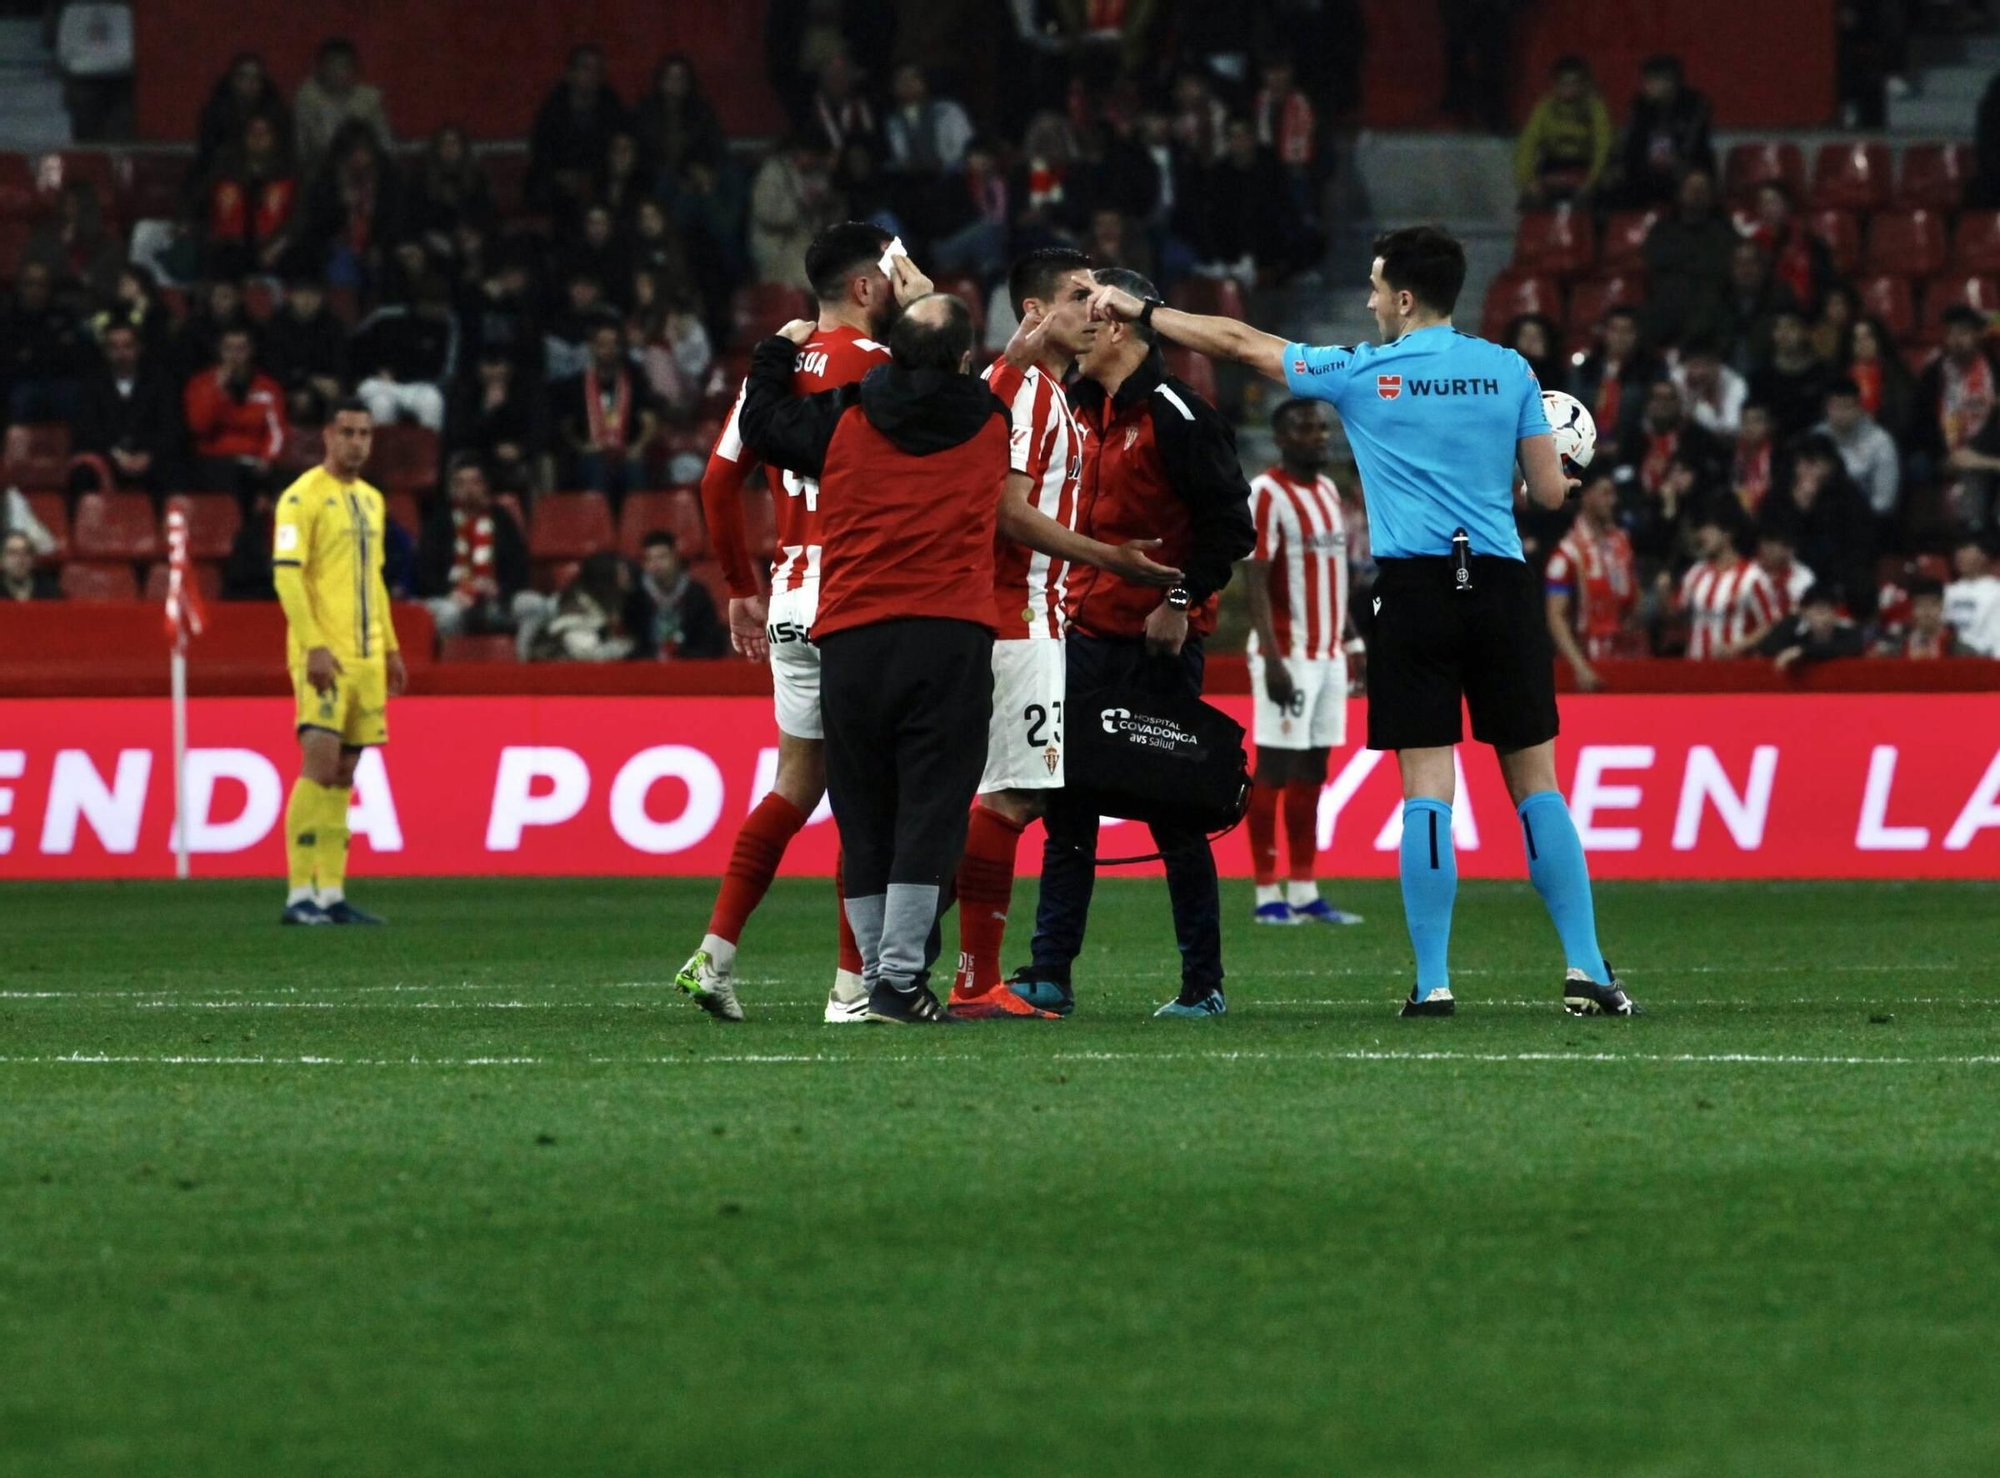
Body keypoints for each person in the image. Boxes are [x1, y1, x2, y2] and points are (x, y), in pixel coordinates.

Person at [1087, 225, 1642, 1017]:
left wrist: (1146, 313)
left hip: (1413, 593)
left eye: (1378, 287)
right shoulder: (1510, 369)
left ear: (1405, 298)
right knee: (1537, 789)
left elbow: (1243, 344)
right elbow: (1549, 497)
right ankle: (1586, 970)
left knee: (1427, 789)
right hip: (1500, 590)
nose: (1373, 299)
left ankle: (1436, 981)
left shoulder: (1364, 373)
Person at [736, 294, 1009, 1025]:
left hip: (851, 638)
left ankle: (875, 985)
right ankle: (896, 981)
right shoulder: (989, 419)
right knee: (932, 810)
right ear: (962, 359)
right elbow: (995, 376)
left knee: (861, 815)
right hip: (947, 637)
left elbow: (758, 425)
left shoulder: (843, 421)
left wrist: (776, 351)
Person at [1007, 264, 1255, 1021]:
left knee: (1175, 813)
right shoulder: (1076, 403)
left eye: (1089, 302)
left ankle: (1202, 984)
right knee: (1066, 807)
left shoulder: (1180, 413)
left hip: (1156, 643)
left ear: (1117, 323)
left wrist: (1180, 600)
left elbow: (1232, 530)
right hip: (1081, 629)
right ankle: (1050, 973)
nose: (1078, 316)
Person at [948, 249, 1185, 1019]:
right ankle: (968, 976)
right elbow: (1007, 511)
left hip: (1023, 618)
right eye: (1081, 296)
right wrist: (1108, 558)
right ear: (1033, 312)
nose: (1098, 308)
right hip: (1017, 617)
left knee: (1002, 798)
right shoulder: (1030, 395)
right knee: (1012, 799)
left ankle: (910, 956)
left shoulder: (1030, 388)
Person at [677, 222, 901, 1024]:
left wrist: (740, 585)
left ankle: (715, 954)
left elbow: (716, 483)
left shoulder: (766, 379)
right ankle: (851, 988)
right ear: (870, 287)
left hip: (791, 591)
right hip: (856, 598)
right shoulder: (885, 372)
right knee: (868, 799)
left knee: (795, 784)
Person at [271, 398, 406, 926]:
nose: (357, 442)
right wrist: (313, 646)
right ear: (327, 435)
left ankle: (330, 892)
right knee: (320, 764)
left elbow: (374, 581)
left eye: (366, 433)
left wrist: (391, 646)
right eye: (347, 431)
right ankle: (298, 893)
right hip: (324, 656)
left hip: (369, 657)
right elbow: (287, 576)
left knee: (347, 772)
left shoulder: (372, 501)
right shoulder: (300, 498)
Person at [1239, 398, 1365, 927]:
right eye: (1305, 429)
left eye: (1321, 427)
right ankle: (1268, 893)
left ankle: (1305, 888)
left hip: (1329, 652)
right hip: (1287, 653)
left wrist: (1353, 640)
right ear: (1282, 439)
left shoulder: (1330, 491)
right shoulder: (1266, 493)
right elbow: (1255, 575)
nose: (1319, 436)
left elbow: (1335, 574)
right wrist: (1271, 655)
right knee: (1273, 766)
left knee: (1315, 767)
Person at [416, 453, 531, 639]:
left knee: (533, 605)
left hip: (496, 600)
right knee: (449, 614)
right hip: (451, 599)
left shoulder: (502, 520)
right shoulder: (438, 523)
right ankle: (451, 666)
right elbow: (425, 573)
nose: (468, 489)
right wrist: (451, 592)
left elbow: (519, 568)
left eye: (475, 482)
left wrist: (500, 589)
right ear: (452, 489)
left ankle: (524, 663)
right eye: (461, 483)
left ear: (486, 486)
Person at [1545, 471, 1639, 691]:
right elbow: (1555, 615)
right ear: (1586, 496)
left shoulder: (1621, 542)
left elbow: (1632, 598)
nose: (1613, 501)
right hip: (1588, 662)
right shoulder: (1567, 553)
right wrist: (1579, 667)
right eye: (1606, 494)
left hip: (1625, 658)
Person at [1766, 435, 1878, 619]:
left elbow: (1859, 543)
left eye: (1815, 462)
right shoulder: (1779, 495)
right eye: (1803, 462)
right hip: (1789, 567)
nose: (1809, 470)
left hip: (1836, 570)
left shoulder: (1850, 497)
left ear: (1831, 464)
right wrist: (1800, 508)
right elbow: (1772, 535)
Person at [552, 321, 657, 502]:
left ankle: (638, 526)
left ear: (620, 348)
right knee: (597, 469)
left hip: (626, 453)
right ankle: (595, 527)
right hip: (591, 455)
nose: (607, 350)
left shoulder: (635, 381)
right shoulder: (575, 385)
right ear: (592, 347)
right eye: (602, 344)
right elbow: (566, 427)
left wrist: (637, 447)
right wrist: (582, 447)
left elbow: (649, 422)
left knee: (635, 469)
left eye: (613, 344)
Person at [184, 326, 288, 508]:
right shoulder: (202, 384)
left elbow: (277, 430)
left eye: (241, 349)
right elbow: (199, 427)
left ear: (251, 351)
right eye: (229, 349)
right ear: (220, 352)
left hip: (255, 461)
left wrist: (268, 458)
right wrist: (218, 391)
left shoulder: (267, 387)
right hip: (216, 461)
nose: (235, 356)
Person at [528, 44, 629, 216]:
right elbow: (541, 152)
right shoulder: (552, 108)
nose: (592, 76)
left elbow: (620, 146)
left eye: (597, 70)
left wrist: (595, 176)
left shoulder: (612, 106)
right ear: (570, 73)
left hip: (600, 179)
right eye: (585, 69)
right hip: (559, 184)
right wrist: (561, 175)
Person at [1641, 167, 1736, 348]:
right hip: (1667, 312)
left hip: (1713, 315)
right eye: (1692, 189)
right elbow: (1655, 272)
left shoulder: (1725, 233)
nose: (1697, 194)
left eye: (1702, 189)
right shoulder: (1662, 232)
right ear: (1680, 193)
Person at [351, 274, 457, 433]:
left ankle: (428, 456)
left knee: (432, 401)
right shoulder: (386, 317)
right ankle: (382, 456)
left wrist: (409, 376)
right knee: (381, 405)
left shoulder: (447, 324)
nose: (440, 310)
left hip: (420, 387)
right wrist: (374, 371)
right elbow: (356, 346)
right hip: (382, 385)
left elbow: (446, 369)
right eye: (435, 305)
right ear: (421, 303)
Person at [1610, 53, 1714, 208]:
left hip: (1684, 169)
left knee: (1692, 183)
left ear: (1669, 82)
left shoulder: (1695, 105)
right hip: (1647, 171)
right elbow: (1631, 145)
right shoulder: (1639, 106)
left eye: (1651, 81)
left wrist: (1674, 162)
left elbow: (1693, 147)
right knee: (1614, 186)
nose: (1646, 86)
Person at [1677, 506, 1781, 659]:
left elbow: (1771, 624)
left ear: (1728, 534)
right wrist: (1663, 594)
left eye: (1709, 528)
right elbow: (1678, 615)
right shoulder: (1695, 573)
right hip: (1695, 669)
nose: (1702, 535)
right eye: (1701, 529)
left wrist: (1738, 646)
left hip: (1734, 672)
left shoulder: (1752, 577)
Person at [1513, 55, 1612, 207]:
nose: (1568, 87)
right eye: (1563, 83)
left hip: (1585, 165)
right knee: (1529, 201)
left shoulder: (1595, 108)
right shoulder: (1544, 107)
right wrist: (1528, 181)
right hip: (1554, 164)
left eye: (1574, 83)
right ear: (1554, 84)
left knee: (1595, 200)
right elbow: (1527, 145)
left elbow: (1603, 147)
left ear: (1584, 84)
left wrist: (1591, 182)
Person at [1569, 305, 1657, 466]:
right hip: (1585, 450)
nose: (1620, 337)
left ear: (1637, 335)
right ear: (1605, 333)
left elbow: (1651, 416)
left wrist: (1623, 445)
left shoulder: (1650, 370)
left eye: (1627, 331)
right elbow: (1571, 410)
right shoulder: (1586, 369)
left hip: (1632, 452)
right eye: (1615, 330)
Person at [1817, 376, 1901, 540]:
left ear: (1859, 407)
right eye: (1836, 407)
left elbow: (1884, 501)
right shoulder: (1816, 438)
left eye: (1848, 407)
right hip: (1821, 524)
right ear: (1827, 408)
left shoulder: (1880, 441)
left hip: (1866, 524)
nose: (1842, 414)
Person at [292, 37, 392, 171]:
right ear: (321, 68)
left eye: (344, 65)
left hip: (365, 171)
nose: (337, 71)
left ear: (354, 69)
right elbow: (301, 147)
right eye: (332, 65)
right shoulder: (307, 98)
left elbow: (384, 143)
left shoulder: (369, 99)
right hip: (319, 172)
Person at [263, 276, 350, 427]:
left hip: (325, 390)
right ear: (291, 297)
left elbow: (342, 361)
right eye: (301, 295)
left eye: (312, 295)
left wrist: (338, 384)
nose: (307, 301)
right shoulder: (277, 326)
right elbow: (274, 369)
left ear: (321, 298)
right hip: (288, 386)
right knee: (303, 402)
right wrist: (309, 381)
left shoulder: (333, 325)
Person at [629, 531, 725, 659]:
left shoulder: (696, 594)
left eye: (662, 557)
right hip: (647, 668)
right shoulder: (636, 596)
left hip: (690, 666)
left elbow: (710, 640)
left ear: (675, 556)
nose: (655, 565)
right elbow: (632, 642)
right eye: (649, 559)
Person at [530, 551, 634, 661]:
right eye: (622, 572)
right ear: (607, 577)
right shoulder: (574, 613)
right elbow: (590, 654)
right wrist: (628, 648)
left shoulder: (612, 606)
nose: (627, 576)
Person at [1750, 308, 1833, 440]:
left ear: (1805, 332)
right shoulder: (1760, 377)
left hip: (1816, 444)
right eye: (1778, 327)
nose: (1784, 333)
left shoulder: (1823, 373)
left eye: (1791, 326)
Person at [1756, 583, 1865, 670]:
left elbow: (1845, 648)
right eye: (1816, 610)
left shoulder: (1849, 634)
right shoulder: (1798, 636)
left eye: (1826, 610)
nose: (1821, 616)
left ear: (1835, 613)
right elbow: (1767, 648)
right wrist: (1792, 618)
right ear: (1805, 613)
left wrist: (1802, 651)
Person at [1670, 339, 1747, 437]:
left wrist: (1714, 406)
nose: (1702, 371)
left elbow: (1731, 428)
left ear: (1718, 364)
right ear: (1687, 364)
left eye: (1707, 364)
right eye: (1696, 365)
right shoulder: (1677, 378)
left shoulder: (1735, 385)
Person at [1944, 534, 2000, 656]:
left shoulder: (1996, 591)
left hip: (1986, 659)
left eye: (1966, 550)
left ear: (1983, 556)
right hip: (1951, 658)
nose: (1960, 556)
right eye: (1958, 551)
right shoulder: (1948, 591)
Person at [1881, 575, 1957, 658]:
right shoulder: (1898, 646)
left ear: (1941, 607)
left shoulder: (1956, 647)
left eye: (1933, 605)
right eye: (1920, 605)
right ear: (1912, 609)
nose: (1926, 612)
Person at [1754, 524, 1816, 617]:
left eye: (1772, 546)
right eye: (1764, 544)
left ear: (1789, 550)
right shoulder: (1749, 573)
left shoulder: (1805, 577)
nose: (1766, 550)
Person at [1, 530, 58, 601]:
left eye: (26, 552)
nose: (20, 559)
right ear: (2, 560)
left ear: (32, 559)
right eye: (13, 553)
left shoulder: (48, 588)